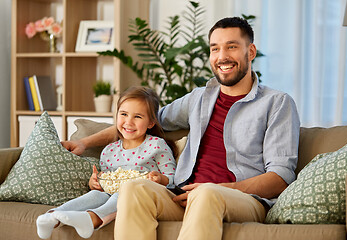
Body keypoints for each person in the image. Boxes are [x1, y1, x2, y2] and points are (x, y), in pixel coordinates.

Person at [62, 17, 300, 240]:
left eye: (232, 47)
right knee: (134, 189)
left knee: (206, 194)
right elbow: (142, 121)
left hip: (243, 199)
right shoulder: (199, 98)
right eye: (215, 48)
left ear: (250, 52)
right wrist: (85, 142)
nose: (222, 56)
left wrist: (218, 188)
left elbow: (280, 177)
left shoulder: (277, 103)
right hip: (182, 194)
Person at [36, 86, 177, 239]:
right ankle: (53, 216)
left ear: (151, 122)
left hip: (142, 196)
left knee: (123, 193)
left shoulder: (157, 145)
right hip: (112, 195)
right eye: (123, 114)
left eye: (137, 117)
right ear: (116, 116)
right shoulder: (109, 151)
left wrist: (160, 179)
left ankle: (92, 218)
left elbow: (173, 178)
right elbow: (106, 186)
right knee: (96, 194)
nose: (129, 122)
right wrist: (95, 182)